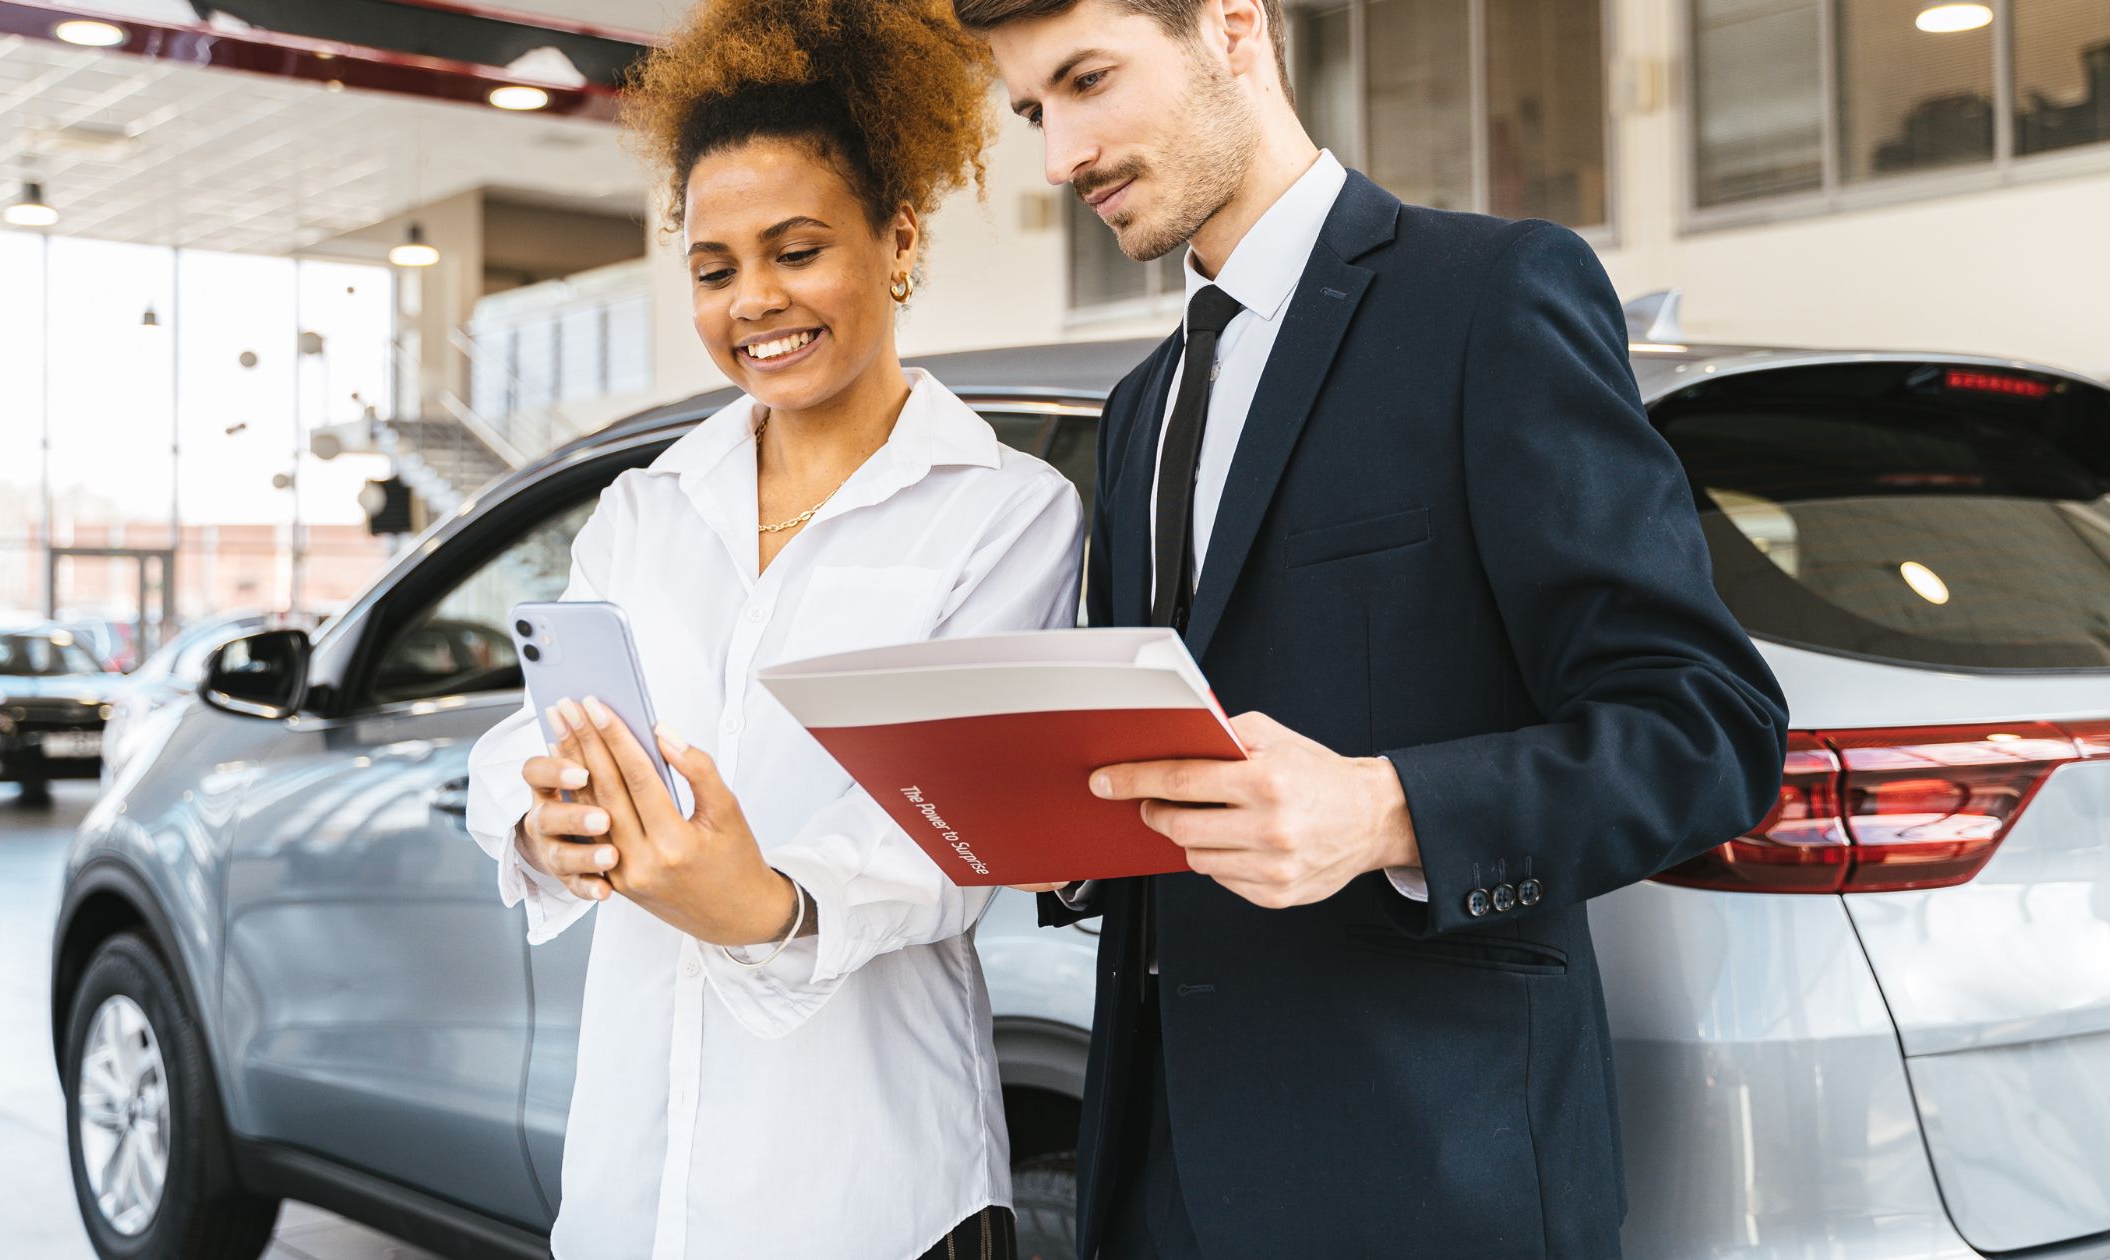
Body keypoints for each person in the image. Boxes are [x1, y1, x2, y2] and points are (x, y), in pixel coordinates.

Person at [954, 1, 1791, 1256]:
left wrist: (1385, 811)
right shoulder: (1137, 408)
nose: (1059, 156)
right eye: (1032, 112)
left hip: (1427, 1177)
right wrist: (1074, 842)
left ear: (1235, 24)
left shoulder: (1488, 298)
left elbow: (1705, 730)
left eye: (1086, 82)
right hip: (1156, 1176)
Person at [462, 3, 1083, 1256]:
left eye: (797, 251)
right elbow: (524, 733)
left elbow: (956, 832)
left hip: (874, 1190)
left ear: (897, 240)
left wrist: (770, 902)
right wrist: (540, 811)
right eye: (714, 268)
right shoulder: (644, 510)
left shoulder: (1007, 513)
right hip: (636, 1185)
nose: (756, 301)